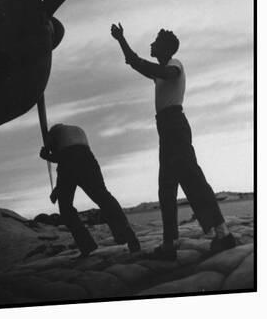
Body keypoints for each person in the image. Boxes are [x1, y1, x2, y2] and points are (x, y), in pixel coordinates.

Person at [110, 24, 236, 260]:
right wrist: (121, 39)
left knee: (194, 181)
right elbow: (133, 60)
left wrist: (143, 62)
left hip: (175, 127)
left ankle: (224, 235)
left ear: (165, 48)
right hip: (166, 129)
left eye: (155, 41)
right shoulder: (160, 72)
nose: (151, 44)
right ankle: (170, 243)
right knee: (166, 188)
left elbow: (167, 73)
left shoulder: (174, 64)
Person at [39, 123, 141, 257]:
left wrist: (46, 155)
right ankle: (128, 236)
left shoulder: (53, 134)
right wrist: (57, 191)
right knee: (104, 198)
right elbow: (71, 160)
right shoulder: (77, 130)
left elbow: (64, 161)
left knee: (66, 208)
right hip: (88, 159)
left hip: (68, 162)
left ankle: (86, 246)